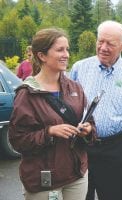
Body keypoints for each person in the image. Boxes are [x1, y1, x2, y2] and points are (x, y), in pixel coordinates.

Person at [8, 28, 96, 200]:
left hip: (76, 175)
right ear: (42, 55)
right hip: (43, 180)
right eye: (60, 50)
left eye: (67, 49)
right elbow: (17, 140)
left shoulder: (75, 87)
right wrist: (49, 132)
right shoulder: (26, 94)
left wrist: (88, 129)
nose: (67, 54)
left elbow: (91, 122)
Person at [70, 20, 122, 200]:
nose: (103, 47)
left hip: (116, 149)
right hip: (82, 147)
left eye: (110, 43)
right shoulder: (79, 68)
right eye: (100, 41)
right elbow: (68, 107)